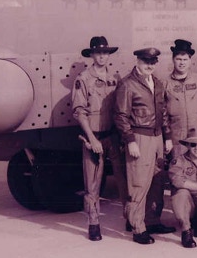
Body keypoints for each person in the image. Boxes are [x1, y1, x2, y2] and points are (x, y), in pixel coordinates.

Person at [113, 47, 176, 244]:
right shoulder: (127, 85)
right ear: (138, 62)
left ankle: (152, 220)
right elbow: (121, 116)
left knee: (157, 181)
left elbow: (163, 113)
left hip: (157, 137)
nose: (150, 65)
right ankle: (138, 228)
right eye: (146, 61)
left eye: (153, 62)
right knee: (138, 184)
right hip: (139, 136)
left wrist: (167, 137)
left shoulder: (157, 83)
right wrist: (130, 140)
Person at [71, 35, 124, 241]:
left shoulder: (115, 78)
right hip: (94, 137)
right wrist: (92, 139)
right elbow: (79, 112)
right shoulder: (83, 79)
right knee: (92, 184)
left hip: (113, 136)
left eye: (105, 53)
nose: (102, 56)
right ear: (92, 55)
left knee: (122, 179)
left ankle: (130, 217)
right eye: (98, 53)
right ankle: (93, 223)